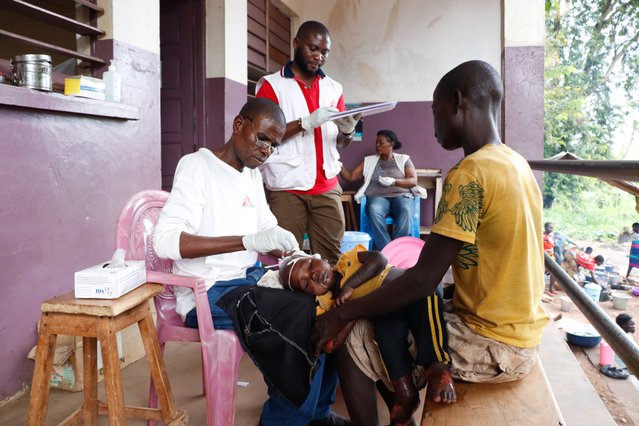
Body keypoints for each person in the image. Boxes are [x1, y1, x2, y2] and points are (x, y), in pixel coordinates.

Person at [312, 60, 549, 426]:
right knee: (395, 299)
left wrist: (341, 312)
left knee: (356, 334)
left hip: (491, 344)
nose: (434, 124)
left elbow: (423, 280)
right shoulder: (514, 162)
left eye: (435, 111)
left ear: (457, 102)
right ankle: (402, 405)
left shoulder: (470, 173)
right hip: (519, 331)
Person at [152, 98, 348, 426]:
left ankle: (317, 413)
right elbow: (165, 242)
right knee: (301, 322)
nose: (266, 150)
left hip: (248, 279)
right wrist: (246, 242)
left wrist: (293, 251)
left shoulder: (251, 175)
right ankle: (282, 421)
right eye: (262, 139)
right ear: (239, 125)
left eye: (273, 145)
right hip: (207, 291)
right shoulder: (198, 166)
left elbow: (265, 227)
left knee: (325, 307)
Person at [265, 245, 454, 423]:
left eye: (309, 265)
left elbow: (379, 259)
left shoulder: (346, 260)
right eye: (305, 283)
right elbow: (333, 343)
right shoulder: (328, 303)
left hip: (413, 294)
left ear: (320, 259)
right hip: (389, 314)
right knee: (384, 335)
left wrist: (350, 286)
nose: (313, 275)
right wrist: (348, 317)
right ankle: (405, 392)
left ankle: (438, 366)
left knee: (427, 296)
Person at [256, 20, 360, 266]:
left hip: (327, 186)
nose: (318, 57)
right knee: (286, 261)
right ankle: (292, 306)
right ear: (296, 44)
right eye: (313, 48)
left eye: (324, 52)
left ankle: (325, 306)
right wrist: (305, 122)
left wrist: (347, 132)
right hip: (286, 187)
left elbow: (340, 144)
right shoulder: (273, 85)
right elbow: (262, 136)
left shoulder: (334, 88)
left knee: (331, 260)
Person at [340, 130, 425, 250]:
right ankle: (386, 251)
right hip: (377, 196)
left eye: (381, 143)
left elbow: (412, 181)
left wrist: (394, 181)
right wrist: (339, 166)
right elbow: (350, 177)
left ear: (391, 144)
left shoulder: (403, 159)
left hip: (401, 196)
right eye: (376, 143)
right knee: (374, 209)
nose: (377, 146)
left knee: (406, 210)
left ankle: (398, 249)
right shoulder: (369, 160)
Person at [543, 222, 560, 294]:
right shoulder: (542, 236)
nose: (552, 229)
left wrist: (556, 255)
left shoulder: (551, 236)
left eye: (552, 228)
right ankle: (540, 291)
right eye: (550, 227)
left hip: (551, 256)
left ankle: (551, 289)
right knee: (542, 273)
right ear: (545, 228)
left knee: (554, 273)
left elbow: (552, 247)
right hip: (544, 257)